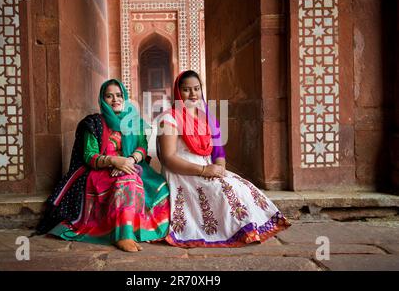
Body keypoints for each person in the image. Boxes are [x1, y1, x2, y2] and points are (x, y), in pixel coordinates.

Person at [157, 70, 291, 247]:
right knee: (224, 189)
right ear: (178, 92)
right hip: (182, 170)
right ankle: (240, 231)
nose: (193, 94)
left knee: (242, 186)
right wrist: (204, 170)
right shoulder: (170, 117)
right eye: (186, 89)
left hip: (207, 167)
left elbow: (218, 152)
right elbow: (168, 157)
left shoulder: (206, 116)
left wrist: (219, 167)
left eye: (196, 89)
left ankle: (251, 228)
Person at [35, 79, 170, 252]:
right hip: (100, 170)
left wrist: (129, 160)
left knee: (162, 188)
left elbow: (142, 147)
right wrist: (114, 161)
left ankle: (142, 229)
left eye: (119, 95)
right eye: (109, 96)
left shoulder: (134, 122)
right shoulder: (93, 124)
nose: (115, 100)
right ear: (102, 100)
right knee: (126, 182)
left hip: (130, 164)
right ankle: (123, 235)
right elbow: (89, 156)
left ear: (125, 97)